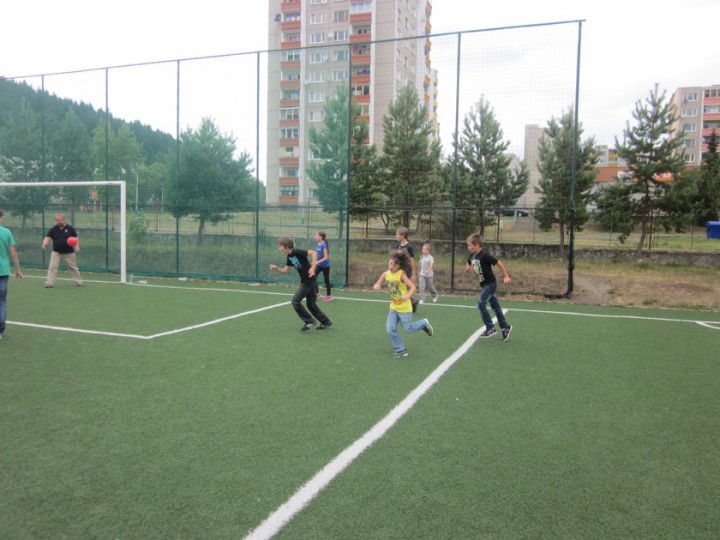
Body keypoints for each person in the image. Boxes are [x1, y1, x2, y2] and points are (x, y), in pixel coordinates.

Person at [373, 250, 433, 358]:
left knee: (408, 328)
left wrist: (407, 296)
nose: (391, 266)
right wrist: (377, 286)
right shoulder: (385, 274)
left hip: (404, 307)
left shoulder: (401, 275)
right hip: (394, 307)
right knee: (390, 329)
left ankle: (423, 323)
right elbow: (377, 283)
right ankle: (400, 349)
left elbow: (413, 287)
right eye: (390, 263)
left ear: (399, 266)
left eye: (394, 265)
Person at [269, 236, 332, 332]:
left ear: (286, 247)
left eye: (280, 246)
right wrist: (276, 268)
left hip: (308, 280)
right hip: (308, 280)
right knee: (311, 304)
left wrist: (313, 268)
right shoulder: (289, 257)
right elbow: (285, 270)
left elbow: (314, 253)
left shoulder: (297, 251)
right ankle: (326, 321)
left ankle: (309, 321)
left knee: (295, 301)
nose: (279, 248)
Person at [465, 233, 512, 341]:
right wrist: (467, 268)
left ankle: (490, 328)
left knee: (481, 304)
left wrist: (506, 276)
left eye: (470, 245)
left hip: (490, 284)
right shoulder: (472, 256)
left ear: (477, 245)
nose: (468, 247)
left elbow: (499, 263)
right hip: (484, 285)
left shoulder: (484, 255)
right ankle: (505, 327)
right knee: (495, 307)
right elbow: (468, 262)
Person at [41, 214, 83, 287]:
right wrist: (44, 244)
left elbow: (75, 238)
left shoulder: (70, 228)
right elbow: (47, 238)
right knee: (52, 267)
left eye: (61, 220)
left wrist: (76, 246)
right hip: (56, 252)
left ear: (64, 220)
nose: (59, 222)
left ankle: (79, 282)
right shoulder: (53, 229)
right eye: (57, 220)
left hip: (69, 253)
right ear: (55, 221)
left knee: (73, 267)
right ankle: (49, 284)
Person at [0, 210, 24, 340]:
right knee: (2, 301)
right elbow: (13, 254)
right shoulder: (6, 232)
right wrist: (18, 270)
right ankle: (0, 330)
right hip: (3, 271)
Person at [315, 231, 332, 301]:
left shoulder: (324, 246)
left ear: (321, 237)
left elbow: (325, 257)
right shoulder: (317, 244)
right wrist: (314, 261)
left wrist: (317, 262)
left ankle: (329, 296)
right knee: (313, 277)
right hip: (319, 265)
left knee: (326, 280)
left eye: (317, 235)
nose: (315, 237)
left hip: (325, 266)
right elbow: (317, 254)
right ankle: (317, 293)